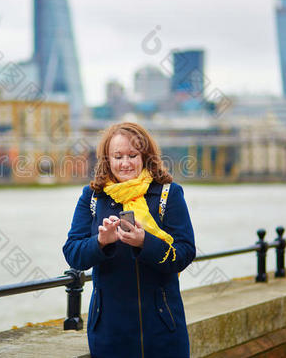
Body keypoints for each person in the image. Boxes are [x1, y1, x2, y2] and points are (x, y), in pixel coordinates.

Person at [63, 122, 196, 358]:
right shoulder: (93, 197)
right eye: (118, 156)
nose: (125, 163)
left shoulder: (168, 193)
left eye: (132, 155)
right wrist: (100, 242)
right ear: (107, 160)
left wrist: (145, 242)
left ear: (145, 156)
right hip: (109, 332)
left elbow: (184, 253)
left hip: (163, 328)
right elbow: (73, 252)